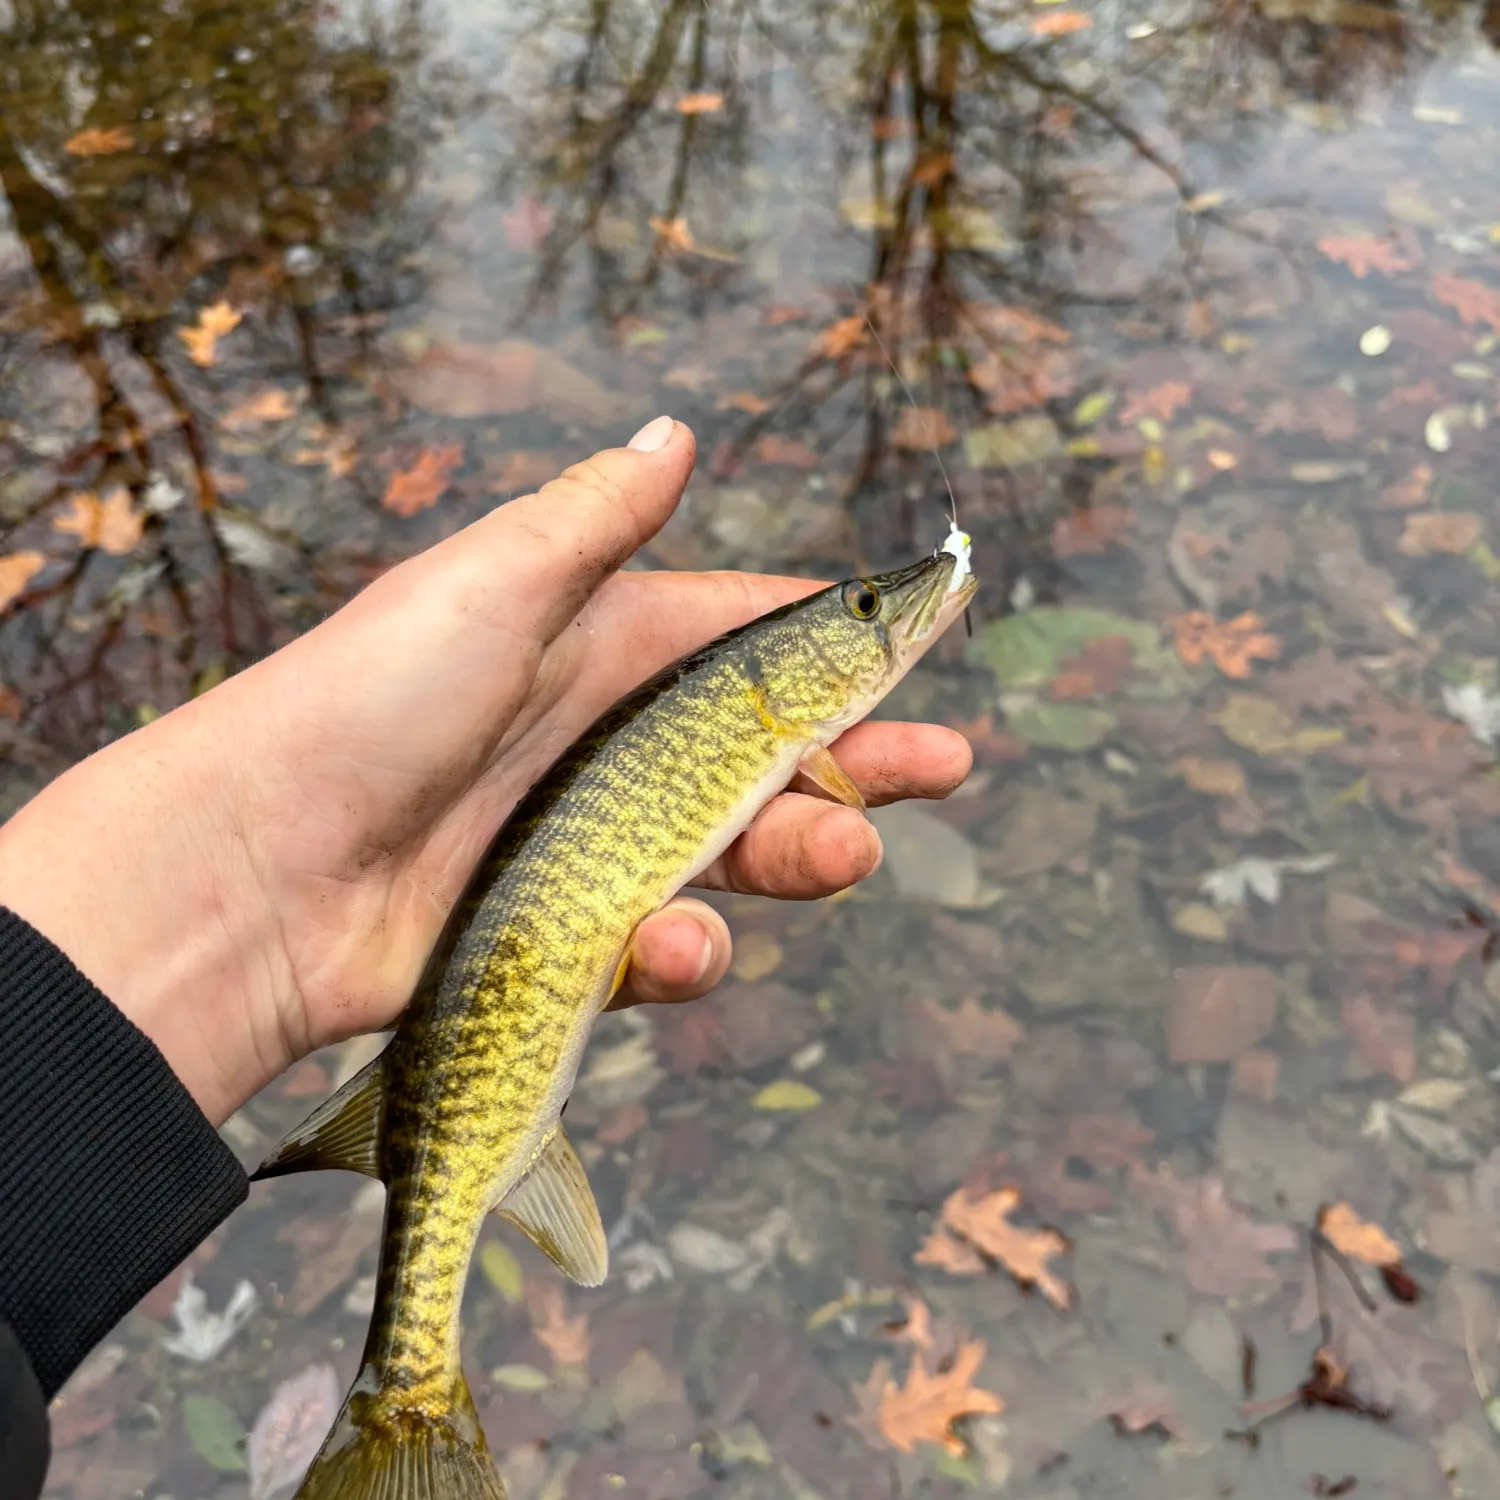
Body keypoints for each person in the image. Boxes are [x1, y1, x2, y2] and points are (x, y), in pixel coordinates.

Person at [0, 417, 972, 1496]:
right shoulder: (745, 702)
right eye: (866, 609)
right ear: (783, 679)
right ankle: (405, 1404)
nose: (887, 607)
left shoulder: (770, 713)